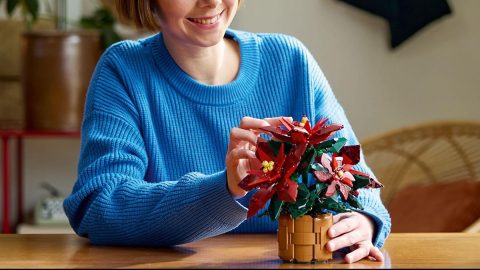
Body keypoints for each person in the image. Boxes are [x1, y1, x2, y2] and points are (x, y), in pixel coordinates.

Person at [63, 0, 391, 264]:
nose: (210, 2)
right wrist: (224, 189)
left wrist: (364, 221)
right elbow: (98, 206)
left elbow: (355, 180)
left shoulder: (291, 61)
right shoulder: (123, 70)